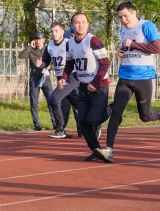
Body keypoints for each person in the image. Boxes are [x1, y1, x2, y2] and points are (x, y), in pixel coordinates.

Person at [97, 1, 160, 162]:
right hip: (125, 76)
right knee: (116, 112)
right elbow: (126, 47)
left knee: (144, 116)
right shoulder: (123, 29)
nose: (123, 20)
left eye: (125, 16)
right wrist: (121, 50)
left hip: (143, 77)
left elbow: (157, 48)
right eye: (120, 17)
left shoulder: (147, 25)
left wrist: (133, 44)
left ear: (134, 13)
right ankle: (108, 149)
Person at [59, 13, 111, 161]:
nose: (80, 25)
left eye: (83, 22)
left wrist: (95, 83)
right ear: (72, 26)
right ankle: (96, 150)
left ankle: (110, 110)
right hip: (83, 87)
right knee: (82, 121)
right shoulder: (69, 43)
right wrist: (63, 78)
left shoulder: (93, 41)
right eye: (77, 22)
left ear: (88, 24)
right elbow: (69, 64)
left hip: (99, 86)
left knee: (92, 120)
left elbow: (105, 63)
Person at [43, 22, 81, 138]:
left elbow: (78, 58)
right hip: (60, 77)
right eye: (52, 31)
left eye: (56, 31)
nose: (54, 33)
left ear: (62, 32)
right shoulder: (49, 46)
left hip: (71, 76)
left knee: (54, 98)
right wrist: (41, 64)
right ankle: (94, 121)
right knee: (79, 103)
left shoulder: (68, 43)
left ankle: (60, 129)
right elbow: (45, 61)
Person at [19, 32, 57, 131]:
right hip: (35, 79)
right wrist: (29, 47)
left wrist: (49, 67)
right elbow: (21, 56)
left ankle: (55, 123)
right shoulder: (31, 50)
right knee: (34, 102)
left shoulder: (48, 49)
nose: (38, 41)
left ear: (43, 40)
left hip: (46, 79)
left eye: (40, 39)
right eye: (36, 39)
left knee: (51, 101)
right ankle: (37, 125)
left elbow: (55, 63)